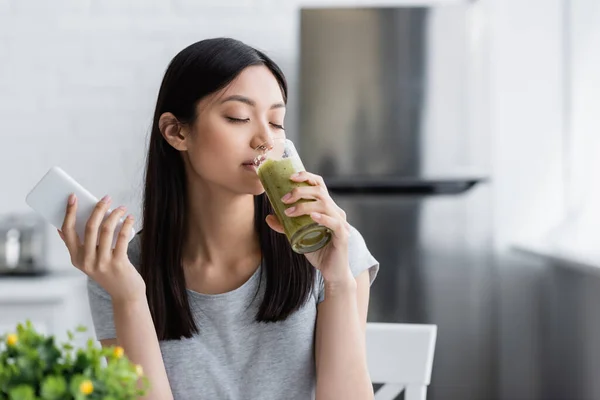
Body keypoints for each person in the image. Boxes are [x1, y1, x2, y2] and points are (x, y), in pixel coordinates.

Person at [57, 38, 379, 400]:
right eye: (238, 117)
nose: (264, 140)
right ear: (176, 132)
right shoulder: (121, 271)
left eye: (276, 122)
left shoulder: (332, 247)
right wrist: (130, 297)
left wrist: (337, 282)